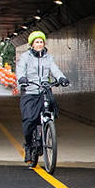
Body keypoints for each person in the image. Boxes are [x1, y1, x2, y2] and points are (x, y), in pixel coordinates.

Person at [16, 31, 69, 163]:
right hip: (29, 91)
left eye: (41, 42)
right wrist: (22, 78)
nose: (39, 44)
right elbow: (20, 69)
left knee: (49, 111)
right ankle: (28, 146)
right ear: (32, 44)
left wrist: (61, 77)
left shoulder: (48, 57)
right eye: (36, 42)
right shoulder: (25, 57)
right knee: (29, 120)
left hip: (44, 90)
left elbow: (54, 69)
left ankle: (46, 130)